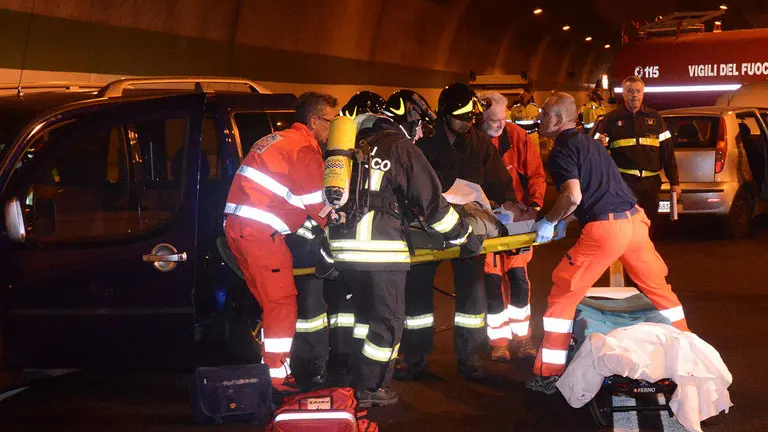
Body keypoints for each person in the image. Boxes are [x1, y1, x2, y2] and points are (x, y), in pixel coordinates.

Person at [525, 92, 690, 395]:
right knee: (660, 291)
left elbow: (573, 196)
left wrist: (548, 221)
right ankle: (689, 352)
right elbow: (598, 192)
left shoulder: (562, 150)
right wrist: (565, 220)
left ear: (559, 119)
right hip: (635, 223)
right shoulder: (591, 144)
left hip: (606, 230)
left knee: (563, 294)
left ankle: (548, 373)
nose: (540, 117)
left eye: (545, 113)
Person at [327, 91, 482, 407]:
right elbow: (435, 207)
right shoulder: (400, 148)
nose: (422, 132)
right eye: (421, 125)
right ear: (409, 119)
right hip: (380, 254)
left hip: (343, 251)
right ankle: (371, 388)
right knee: (387, 322)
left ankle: (356, 378)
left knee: (363, 319)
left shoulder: (350, 148)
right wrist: (465, 237)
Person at [394, 83, 513, 382]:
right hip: (428, 229)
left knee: (473, 297)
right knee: (417, 293)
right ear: (445, 114)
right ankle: (416, 357)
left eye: (471, 118)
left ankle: (470, 356)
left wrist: (514, 212)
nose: (467, 123)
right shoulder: (424, 144)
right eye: (461, 118)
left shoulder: (479, 144)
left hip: (467, 230)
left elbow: (500, 182)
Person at [223, 91, 337, 393]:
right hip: (262, 235)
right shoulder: (304, 150)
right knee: (281, 305)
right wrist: (341, 222)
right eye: (331, 122)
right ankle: (275, 380)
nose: (333, 129)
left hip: (239, 230)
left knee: (268, 304)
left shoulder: (276, 139)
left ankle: (267, 368)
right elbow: (320, 206)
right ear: (314, 121)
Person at [477, 91, 546, 361]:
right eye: (493, 121)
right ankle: (499, 342)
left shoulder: (517, 136)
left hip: (518, 220)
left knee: (518, 281)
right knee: (492, 283)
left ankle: (523, 338)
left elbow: (535, 174)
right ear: (480, 118)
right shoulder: (473, 141)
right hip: (486, 221)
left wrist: (536, 206)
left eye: (502, 120)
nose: (499, 125)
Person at [593, 76, 680, 223]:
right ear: (623, 94)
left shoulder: (655, 118)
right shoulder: (611, 119)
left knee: (649, 224)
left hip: (652, 183)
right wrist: (598, 142)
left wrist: (674, 182)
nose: (635, 95)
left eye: (638, 91)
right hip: (625, 182)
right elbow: (595, 148)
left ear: (643, 94)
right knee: (629, 223)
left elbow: (667, 152)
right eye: (630, 91)